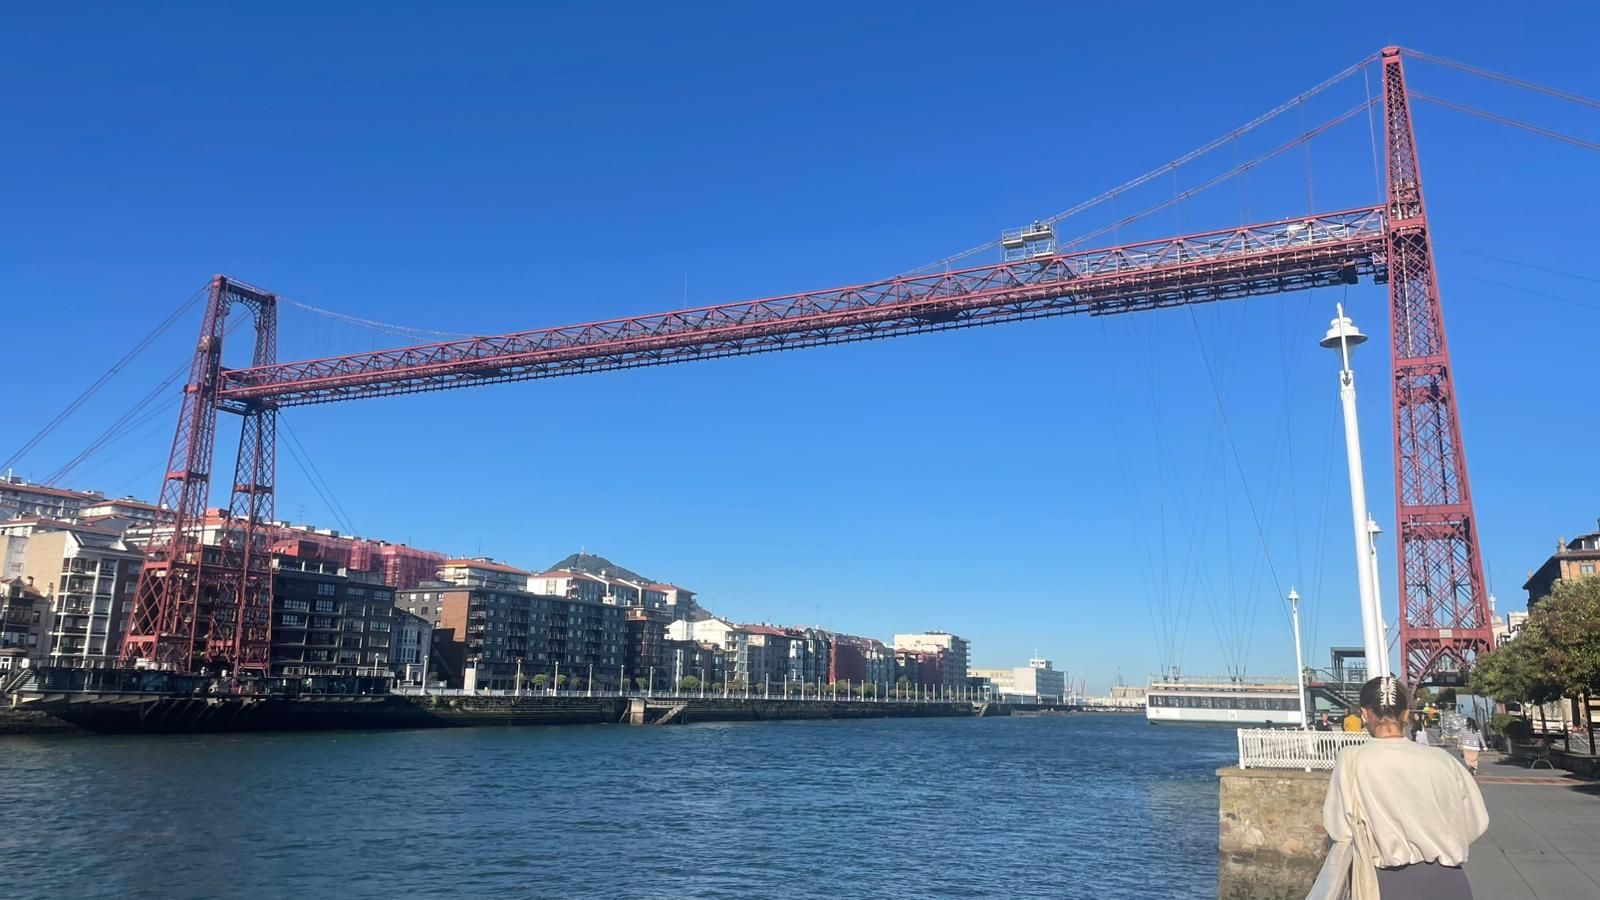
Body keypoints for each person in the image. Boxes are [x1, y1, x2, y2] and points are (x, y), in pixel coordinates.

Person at [1308, 676, 1489, 900]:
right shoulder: (1442, 760)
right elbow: (1476, 822)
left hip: (1390, 883)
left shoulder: (1352, 761)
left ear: (1365, 714)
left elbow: (1339, 829)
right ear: (1406, 714)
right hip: (1450, 881)